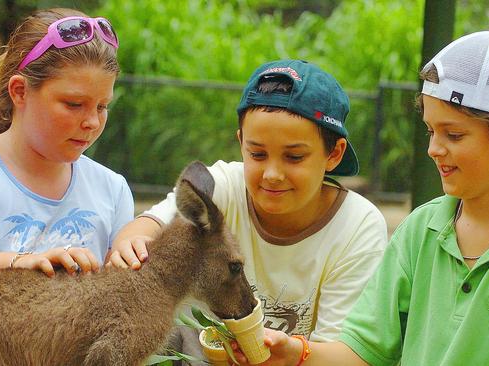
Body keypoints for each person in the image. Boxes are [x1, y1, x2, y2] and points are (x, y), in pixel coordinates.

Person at [240, 31, 489, 366]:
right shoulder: (420, 229)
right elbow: (364, 351)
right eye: (431, 130)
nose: (433, 149)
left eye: (454, 134)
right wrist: (296, 352)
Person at [110, 59, 389, 344]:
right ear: (241, 141)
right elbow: (152, 223)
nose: (272, 175)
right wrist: (134, 239)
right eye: (257, 154)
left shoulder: (357, 226)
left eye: (294, 157)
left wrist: (293, 356)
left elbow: (338, 349)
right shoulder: (225, 186)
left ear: (334, 154)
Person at [0, 8, 134, 277]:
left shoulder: (112, 191)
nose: (92, 121)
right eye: (74, 104)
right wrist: (23, 263)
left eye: (102, 106)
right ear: (20, 92)